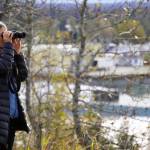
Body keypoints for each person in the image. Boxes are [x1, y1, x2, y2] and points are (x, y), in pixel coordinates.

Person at [0, 21, 30, 150]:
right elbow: (3, 68)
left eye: (7, 33)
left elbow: (22, 76)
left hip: (9, 120)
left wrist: (18, 54)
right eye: (2, 35)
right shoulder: (5, 57)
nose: (7, 37)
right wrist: (8, 46)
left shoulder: (7, 55)